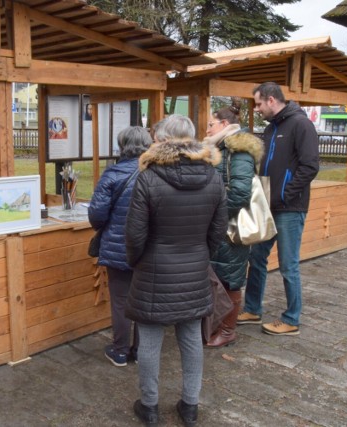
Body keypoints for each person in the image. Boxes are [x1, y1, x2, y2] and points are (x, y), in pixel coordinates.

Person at [125, 115, 227, 426]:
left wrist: (137, 262)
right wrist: (201, 255)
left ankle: (150, 406)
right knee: (191, 338)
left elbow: (135, 234)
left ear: (163, 139)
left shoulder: (148, 177)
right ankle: (190, 406)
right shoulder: (214, 176)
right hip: (195, 267)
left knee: (151, 340)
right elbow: (218, 230)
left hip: (154, 269)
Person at [238, 82, 319, 336]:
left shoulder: (301, 125)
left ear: (272, 100)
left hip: (289, 208)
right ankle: (252, 309)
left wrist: (284, 194)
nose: (258, 108)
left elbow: (310, 166)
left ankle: (292, 318)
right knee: (256, 258)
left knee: (288, 265)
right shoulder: (272, 128)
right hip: (267, 206)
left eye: (259, 104)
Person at [88, 126, 152, 367]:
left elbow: (96, 215)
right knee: (143, 300)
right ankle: (140, 349)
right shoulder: (155, 173)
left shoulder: (112, 174)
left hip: (118, 246)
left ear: (122, 145)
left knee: (121, 300)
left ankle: (120, 350)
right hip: (147, 247)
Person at [203, 98, 264, 348]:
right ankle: (216, 325)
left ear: (225, 124)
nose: (207, 129)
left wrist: (213, 212)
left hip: (232, 228)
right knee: (218, 276)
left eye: (211, 124)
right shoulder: (221, 148)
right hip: (219, 227)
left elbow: (240, 193)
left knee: (230, 279)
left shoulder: (238, 149)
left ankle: (228, 330)